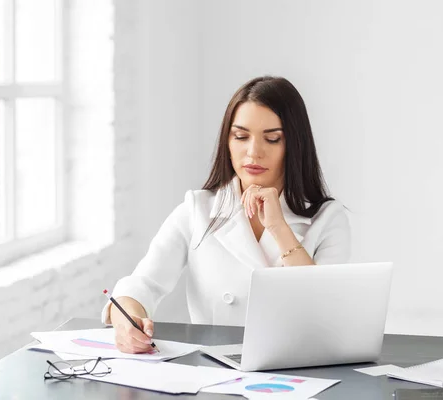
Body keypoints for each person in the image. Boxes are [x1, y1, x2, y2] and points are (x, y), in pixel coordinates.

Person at [102, 76, 351, 354]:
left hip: (296, 372)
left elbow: (326, 315)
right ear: (227, 142)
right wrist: (128, 320)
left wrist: (279, 228)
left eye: (272, 139)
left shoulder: (328, 218)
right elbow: (143, 283)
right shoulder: (198, 209)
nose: (253, 152)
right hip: (216, 371)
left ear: (294, 145)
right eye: (241, 136)